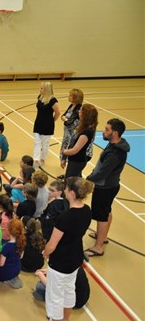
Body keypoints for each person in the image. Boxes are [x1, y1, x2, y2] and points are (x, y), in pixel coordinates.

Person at [29, 177, 93, 321]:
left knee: (55, 296)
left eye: (66, 189)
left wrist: (45, 253)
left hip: (61, 262)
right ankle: (65, 320)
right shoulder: (87, 210)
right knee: (69, 289)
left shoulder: (65, 217)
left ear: (71, 193)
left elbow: (52, 244)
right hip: (75, 257)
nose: (64, 190)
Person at [85, 118, 130, 257]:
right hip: (111, 185)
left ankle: (98, 247)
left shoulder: (115, 153)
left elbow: (103, 172)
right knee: (107, 211)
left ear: (115, 133)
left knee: (102, 216)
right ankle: (102, 236)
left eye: (107, 129)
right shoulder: (115, 145)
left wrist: (87, 180)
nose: (104, 132)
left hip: (105, 187)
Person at [61, 103, 98, 178]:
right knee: (76, 180)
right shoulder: (82, 126)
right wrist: (64, 157)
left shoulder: (86, 132)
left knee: (69, 181)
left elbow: (75, 150)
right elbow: (72, 142)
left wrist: (63, 151)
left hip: (77, 161)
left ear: (86, 115)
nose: (78, 112)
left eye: (81, 111)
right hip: (74, 159)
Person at [33, 82, 60, 168]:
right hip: (38, 123)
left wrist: (52, 121)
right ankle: (36, 160)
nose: (40, 90)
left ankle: (42, 158)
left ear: (47, 89)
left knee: (45, 143)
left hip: (47, 125)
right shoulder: (40, 97)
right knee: (36, 142)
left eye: (42, 88)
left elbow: (58, 112)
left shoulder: (53, 100)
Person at [59, 89, 86, 167]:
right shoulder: (71, 105)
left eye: (70, 95)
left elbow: (68, 122)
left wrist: (65, 119)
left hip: (73, 132)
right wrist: (65, 119)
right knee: (64, 145)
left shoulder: (79, 108)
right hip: (67, 131)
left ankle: (65, 161)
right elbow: (63, 116)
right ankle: (63, 161)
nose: (69, 96)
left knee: (70, 146)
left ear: (76, 98)